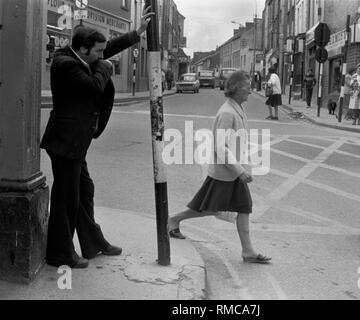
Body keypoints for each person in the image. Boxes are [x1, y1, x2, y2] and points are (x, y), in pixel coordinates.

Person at [40, 7, 155, 268]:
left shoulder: (81, 56)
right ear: (83, 50)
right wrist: (105, 66)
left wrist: (135, 34)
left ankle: (92, 243)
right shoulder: (64, 64)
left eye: (103, 53)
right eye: (99, 53)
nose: (103, 56)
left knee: (84, 191)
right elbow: (94, 85)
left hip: (74, 144)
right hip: (65, 143)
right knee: (66, 199)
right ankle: (59, 253)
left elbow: (106, 49)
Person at [168, 71, 272, 264]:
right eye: (246, 86)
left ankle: (248, 250)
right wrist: (240, 171)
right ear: (235, 88)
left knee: (241, 207)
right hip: (226, 172)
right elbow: (220, 147)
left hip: (229, 172)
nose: (250, 89)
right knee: (211, 208)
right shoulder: (227, 113)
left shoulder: (237, 108)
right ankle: (172, 220)